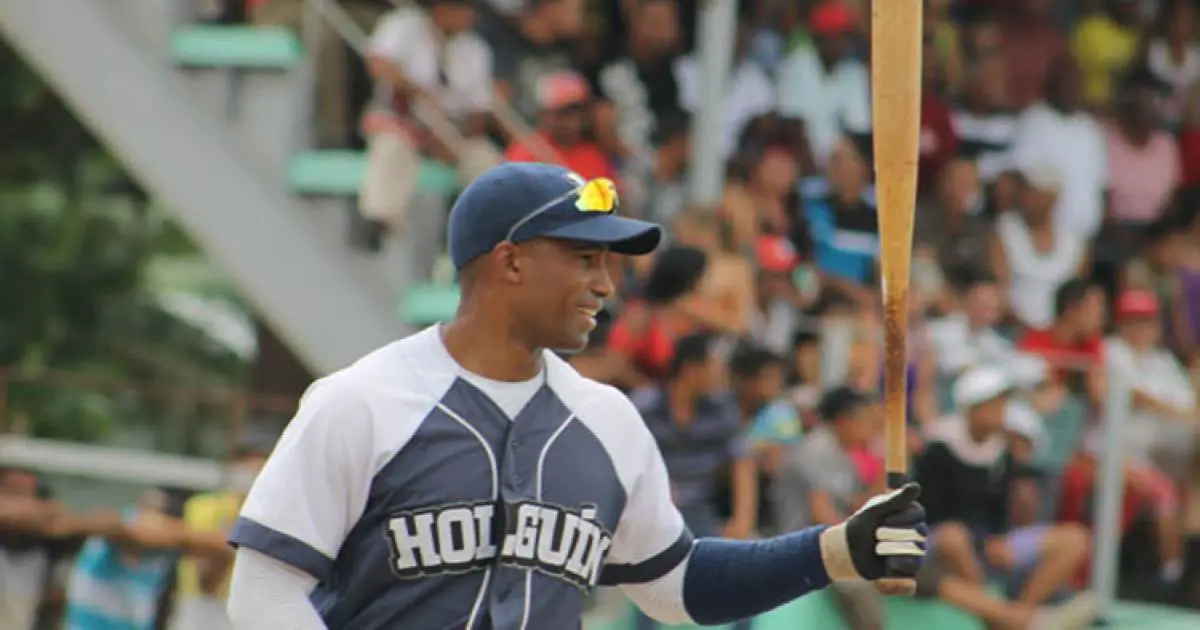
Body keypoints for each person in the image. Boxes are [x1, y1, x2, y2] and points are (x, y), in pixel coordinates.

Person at [225, 162, 927, 629]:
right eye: (586, 258)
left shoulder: (607, 420)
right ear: (511, 261)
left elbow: (675, 585)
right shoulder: (360, 402)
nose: (606, 285)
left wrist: (834, 550)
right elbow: (263, 590)